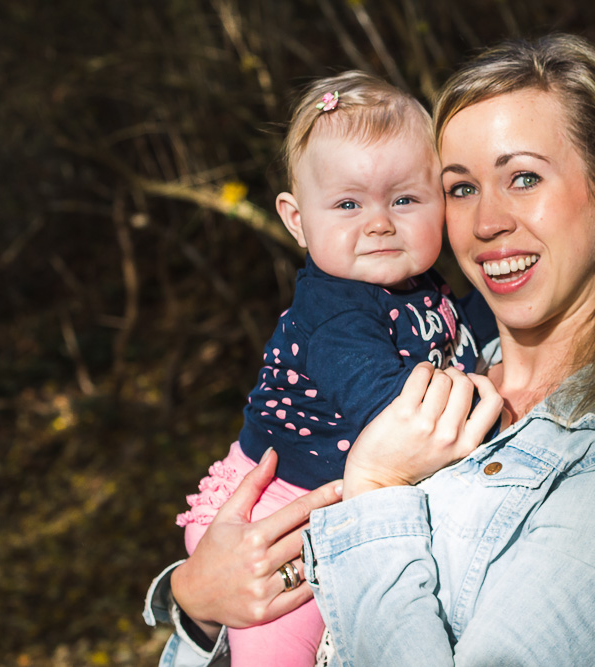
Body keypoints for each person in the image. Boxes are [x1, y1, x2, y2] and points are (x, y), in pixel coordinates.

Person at [144, 33, 595, 666]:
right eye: (462, 187)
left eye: (523, 177)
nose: (486, 220)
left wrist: (377, 485)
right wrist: (194, 604)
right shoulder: (432, 340)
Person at [171, 70, 496, 666]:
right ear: (297, 220)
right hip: (268, 524)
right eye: (348, 204)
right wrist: (494, 403)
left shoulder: (418, 285)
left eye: (404, 200)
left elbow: (469, 326)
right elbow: (397, 417)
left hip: (326, 507)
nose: (378, 222)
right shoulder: (332, 314)